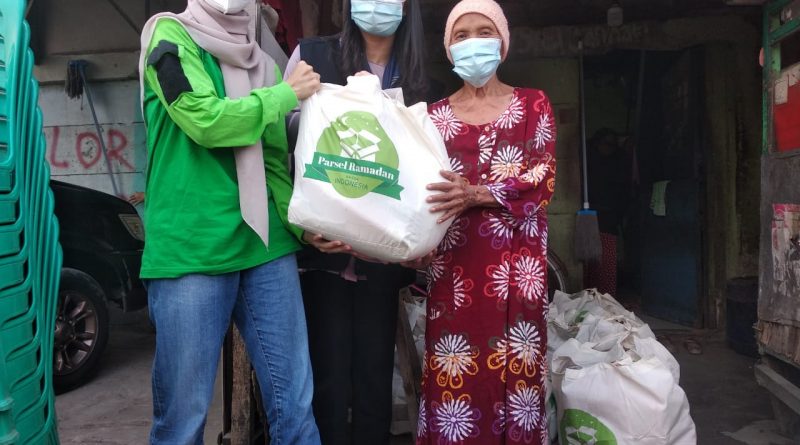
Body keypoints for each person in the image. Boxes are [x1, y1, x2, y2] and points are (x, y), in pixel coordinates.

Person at [137, 0, 322, 443]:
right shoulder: (169, 36)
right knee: (183, 420)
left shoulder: (264, 65)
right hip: (192, 249)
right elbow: (203, 120)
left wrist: (302, 225)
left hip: (265, 245)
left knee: (295, 408)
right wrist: (284, 96)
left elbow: (274, 163)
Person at [283, 1, 429, 444]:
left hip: (381, 259)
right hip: (322, 251)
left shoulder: (418, 80)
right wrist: (302, 226)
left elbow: (421, 168)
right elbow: (279, 137)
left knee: (374, 376)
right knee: (326, 377)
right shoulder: (312, 54)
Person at [416, 1, 557, 443]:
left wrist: (475, 193)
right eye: (461, 35)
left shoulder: (533, 104)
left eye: (484, 31)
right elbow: (419, 194)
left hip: (517, 274)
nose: (473, 42)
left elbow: (542, 179)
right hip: (454, 273)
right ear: (448, 48)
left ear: (502, 43)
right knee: (454, 379)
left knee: (517, 380)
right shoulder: (431, 119)